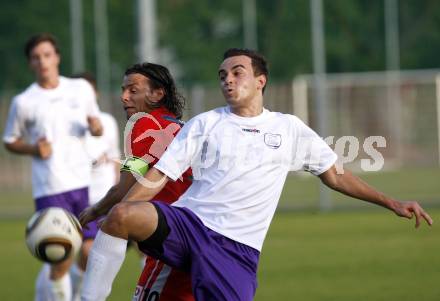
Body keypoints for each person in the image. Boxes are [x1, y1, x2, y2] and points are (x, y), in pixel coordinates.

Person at [79, 49, 433, 301]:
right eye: (222, 75)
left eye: (237, 73)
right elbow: (158, 175)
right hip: (189, 225)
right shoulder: (206, 123)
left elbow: (337, 176)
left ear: (260, 80)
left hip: (236, 250)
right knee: (122, 215)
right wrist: (115, 215)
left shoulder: (289, 129)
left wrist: (392, 202)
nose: (228, 80)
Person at [80, 63, 194, 301]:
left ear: (157, 93)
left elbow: (124, 188)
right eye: (123, 90)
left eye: (133, 90)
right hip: (204, 238)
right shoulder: (181, 126)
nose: (124, 96)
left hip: (174, 237)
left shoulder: (143, 124)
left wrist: (96, 211)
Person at [2, 33, 103, 301]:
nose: (43, 61)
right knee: (60, 257)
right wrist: (34, 149)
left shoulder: (80, 88)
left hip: (83, 184)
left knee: (89, 253)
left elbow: (97, 124)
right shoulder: (24, 101)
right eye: (36, 58)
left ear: (57, 57)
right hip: (50, 188)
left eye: (47, 55)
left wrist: (96, 127)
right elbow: (10, 140)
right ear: (30, 64)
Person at [69, 72, 121, 301]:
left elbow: (116, 159)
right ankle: (74, 291)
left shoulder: (108, 121)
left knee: (144, 243)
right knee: (89, 252)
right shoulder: (68, 125)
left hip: (108, 197)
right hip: (84, 198)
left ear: (95, 93)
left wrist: (121, 193)